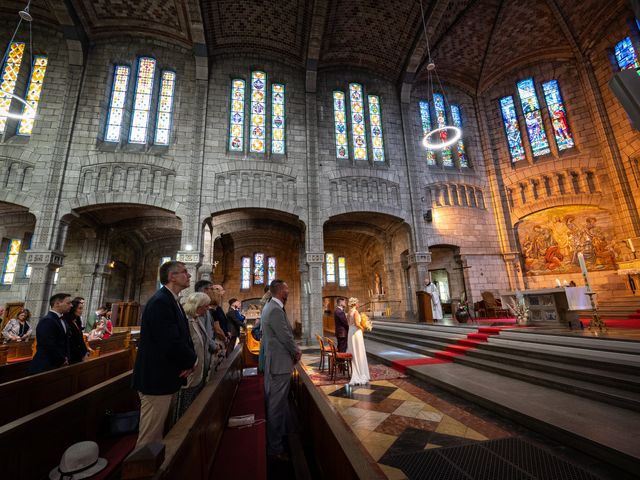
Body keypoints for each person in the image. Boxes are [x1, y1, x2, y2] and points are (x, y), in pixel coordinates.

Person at [132, 261, 197, 448]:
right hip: (155, 379)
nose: (189, 275)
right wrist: (191, 360)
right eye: (185, 272)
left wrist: (188, 361)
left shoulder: (171, 300)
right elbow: (169, 340)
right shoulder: (161, 301)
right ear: (172, 277)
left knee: (159, 433)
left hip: (164, 376)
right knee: (149, 439)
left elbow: (181, 336)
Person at [262, 279, 301, 461]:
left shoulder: (271, 306)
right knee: (276, 406)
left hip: (276, 361)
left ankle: (286, 432)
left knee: (280, 401)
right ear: (279, 291)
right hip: (279, 363)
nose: (289, 291)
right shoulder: (275, 309)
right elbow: (285, 335)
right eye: (287, 288)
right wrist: (296, 351)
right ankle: (275, 447)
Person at [174, 292, 212, 420]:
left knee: (195, 405)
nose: (207, 310)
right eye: (205, 306)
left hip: (199, 369)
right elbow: (183, 345)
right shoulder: (186, 321)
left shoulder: (196, 320)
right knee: (185, 409)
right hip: (189, 371)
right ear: (197, 306)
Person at [29, 293, 73, 375]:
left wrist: (67, 358)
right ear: (57, 304)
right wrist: (62, 360)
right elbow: (49, 345)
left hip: (58, 364)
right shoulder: (47, 320)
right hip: (46, 366)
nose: (71, 305)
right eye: (68, 303)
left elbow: (65, 342)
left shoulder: (62, 319)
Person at [194, 280, 225, 373]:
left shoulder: (207, 310)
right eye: (211, 289)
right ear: (205, 290)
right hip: (204, 349)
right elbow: (206, 331)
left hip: (209, 346)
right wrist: (214, 345)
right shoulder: (200, 309)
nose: (213, 291)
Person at [346, 297, 370, 385]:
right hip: (356, 333)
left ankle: (353, 369)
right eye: (357, 302)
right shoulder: (355, 312)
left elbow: (348, 322)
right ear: (355, 304)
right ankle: (360, 372)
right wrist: (364, 327)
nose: (358, 304)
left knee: (353, 351)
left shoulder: (349, 312)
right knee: (358, 351)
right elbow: (357, 324)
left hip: (350, 332)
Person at [63, 297, 89, 364]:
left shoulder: (77, 320)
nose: (81, 311)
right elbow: (69, 341)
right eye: (79, 308)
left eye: (82, 308)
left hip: (79, 353)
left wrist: (85, 352)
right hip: (71, 354)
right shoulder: (66, 320)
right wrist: (81, 354)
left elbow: (80, 338)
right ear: (73, 309)